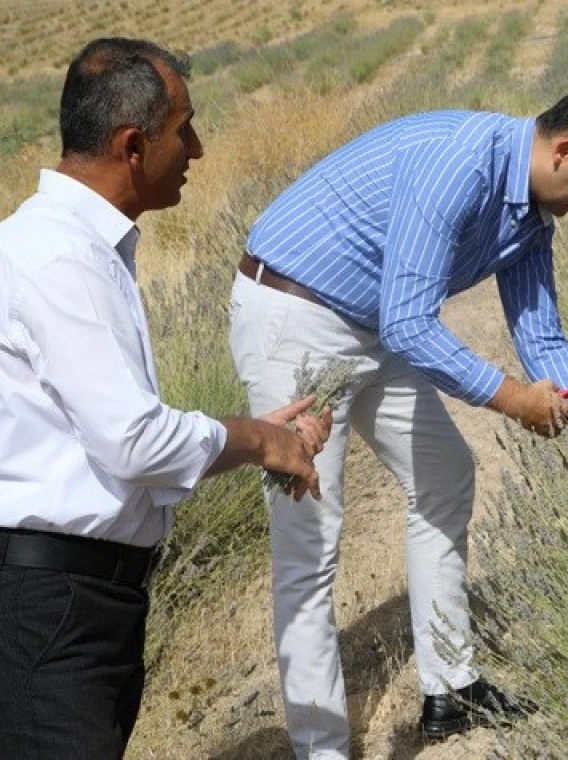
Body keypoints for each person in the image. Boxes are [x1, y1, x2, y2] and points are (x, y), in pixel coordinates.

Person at [229, 80, 568, 755]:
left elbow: (543, 338)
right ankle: (321, 747)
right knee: (310, 536)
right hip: (299, 315)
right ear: (565, 151)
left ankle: (450, 689)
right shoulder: (459, 162)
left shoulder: (530, 216)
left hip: (372, 323)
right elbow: (412, 322)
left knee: (445, 474)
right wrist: (509, 397)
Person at [0, 38, 333, 759]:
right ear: (131, 145)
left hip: (80, 601)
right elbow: (133, 442)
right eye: (183, 128)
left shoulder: (73, 248)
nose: (198, 149)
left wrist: (249, 433)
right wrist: (261, 441)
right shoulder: (61, 259)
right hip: (53, 607)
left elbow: (104, 435)